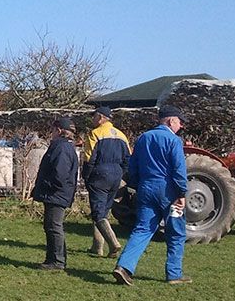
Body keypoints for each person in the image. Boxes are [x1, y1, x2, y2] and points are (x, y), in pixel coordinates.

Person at [112, 105, 191, 286]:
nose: (179, 127)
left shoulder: (143, 138)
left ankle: (124, 266)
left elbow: (133, 166)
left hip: (146, 188)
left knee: (143, 229)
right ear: (171, 121)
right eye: (179, 122)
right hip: (168, 190)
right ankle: (174, 273)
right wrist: (181, 193)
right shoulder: (174, 140)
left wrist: (136, 185)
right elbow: (179, 169)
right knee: (176, 231)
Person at [31, 117, 80, 271]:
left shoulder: (61, 148)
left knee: (53, 226)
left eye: (52, 130)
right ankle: (54, 258)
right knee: (51, 226)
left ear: (59, 130)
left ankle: (57, 261)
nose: (51, 133)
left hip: (56, 193)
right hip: (57, 193)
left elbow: (60, 173)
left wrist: (46, 185)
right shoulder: (65, 147)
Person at [82, 106, 130, 257]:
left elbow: (90, 158)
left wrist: (87, 176)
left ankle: (113, 243)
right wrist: (120, 173)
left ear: (101, 117)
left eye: (94, 116)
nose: (92, 119)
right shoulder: (122, 135)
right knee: (104, 210)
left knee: (97, 211)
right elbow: (128, 159)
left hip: (100, 174)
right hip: (116, 175)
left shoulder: (95, 134)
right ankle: (97, 246)